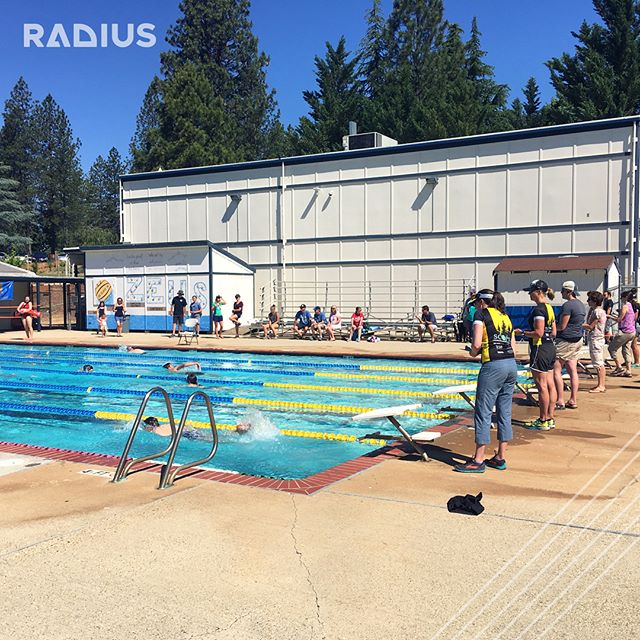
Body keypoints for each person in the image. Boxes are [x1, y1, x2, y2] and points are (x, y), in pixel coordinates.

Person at [454, 289, 518, 473]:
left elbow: (476, 345)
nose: (475, 307)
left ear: (481, 302)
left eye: (475, 304)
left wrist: (472, 352)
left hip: (493, 366)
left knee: (483, 411)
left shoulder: (481, 315)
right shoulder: (506, 317)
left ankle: (478, 460)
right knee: (504, 412)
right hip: (510, 365)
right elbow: (513, 347)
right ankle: (500, 457)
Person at [514, 280, 557, 431]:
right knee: (550, 384)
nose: (528, 294)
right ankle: (550, 417)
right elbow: (553, 332)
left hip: (540, 349)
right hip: (550, 347)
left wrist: (522, 333)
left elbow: (538, 332)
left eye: (530, 291)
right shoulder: (549, 308)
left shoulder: (539, 310)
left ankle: (543, 419)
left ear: (538, 292)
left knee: (542, 386)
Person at [553, 281, 586, 410]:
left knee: (556, 370)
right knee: (573, 370)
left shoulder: (568, 306)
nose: (561, 292)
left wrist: (552, 329)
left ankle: (560, 399)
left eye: (562, 290)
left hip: (565, 341)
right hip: (577, 339)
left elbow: (562, 326)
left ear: (568, 291)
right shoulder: (581, 305)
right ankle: (573, 399)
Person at [582, 291, 607, 393]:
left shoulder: (597, 312)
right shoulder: (595, 311)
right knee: (597, 362)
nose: (588, 301)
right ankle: (600, 384)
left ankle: (601, 385)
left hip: (596, 338)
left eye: (590, 300)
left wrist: (577, 323)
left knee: (598, 362)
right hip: (595, 338)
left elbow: (590, 326)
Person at [609, 290, 636, 377]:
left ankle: (619, 367)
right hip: (632, 331)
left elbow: (619, 319)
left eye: (621, 297)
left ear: (625, 298)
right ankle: (628, 370)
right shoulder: (631, 306)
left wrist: (609, 316)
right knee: (626, 350)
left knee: (611, 348)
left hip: (625, 331)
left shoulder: (625, 306)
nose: (620, 299)